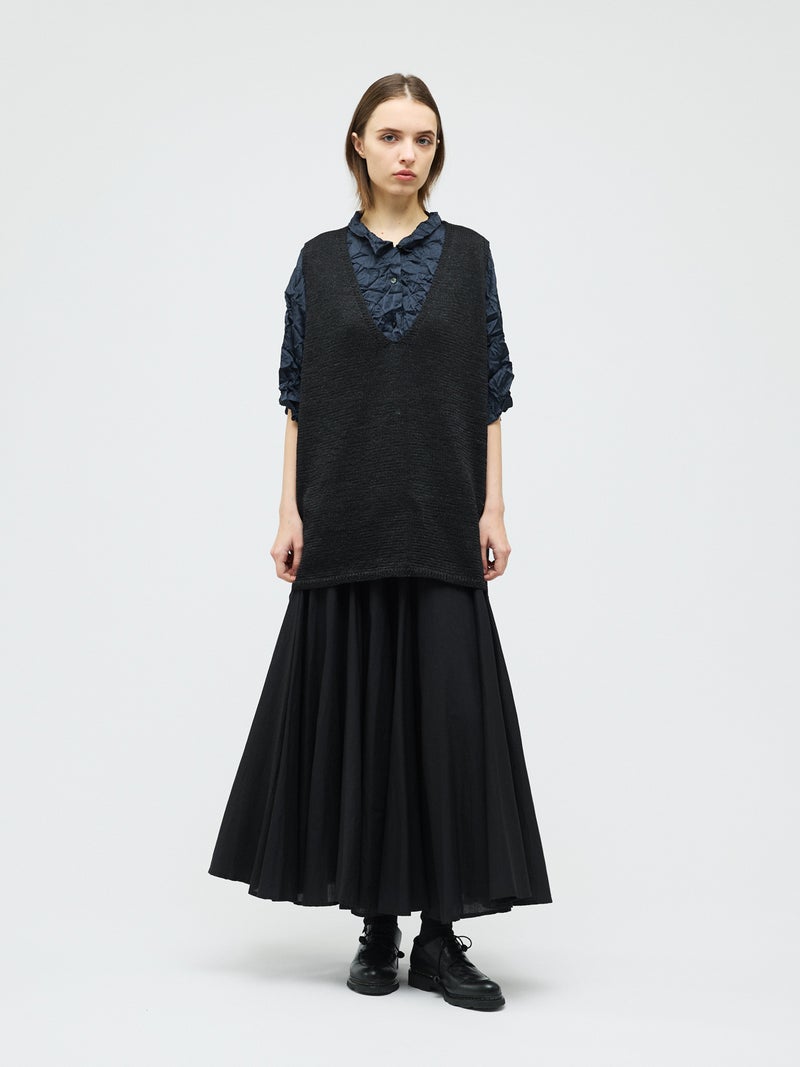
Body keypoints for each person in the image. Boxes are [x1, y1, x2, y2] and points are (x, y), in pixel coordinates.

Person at [208, 72, 552, 1013]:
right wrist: (289, 510)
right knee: (360, 716)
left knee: (445, 720)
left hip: (441, 512)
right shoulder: (318, 261)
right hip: (344, 512)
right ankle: (376, 925)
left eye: (424, 139)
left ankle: (440, 937)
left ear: (437, 152)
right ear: (358, 143)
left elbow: (489, 389)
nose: (408, 153)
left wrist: (494, 506)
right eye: (392, 135)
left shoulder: (471, 256)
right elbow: (297, 394)